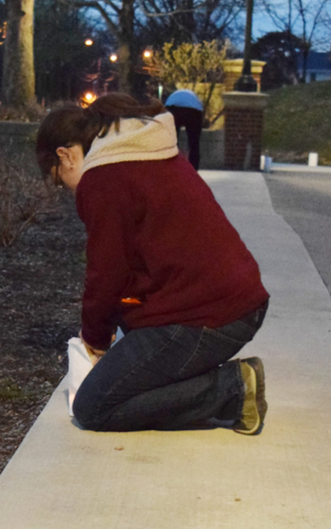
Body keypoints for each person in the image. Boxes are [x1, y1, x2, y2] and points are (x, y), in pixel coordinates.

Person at [36, 93, 269, 434]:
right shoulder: (142, 153)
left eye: (59, 180)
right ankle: (221, 387)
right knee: (123, 372)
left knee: (94, 407)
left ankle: (232, 390)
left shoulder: (103, 179)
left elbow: (106, 273)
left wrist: (95, 341)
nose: (68, 190)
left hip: (210, 316)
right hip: (230, 303)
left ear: (66, 155)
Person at [165, 89, 203, 171]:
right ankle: (194, 169)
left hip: (173, 109)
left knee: (172, 142)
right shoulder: (195, 99)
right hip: (193, 111)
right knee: (194, 143)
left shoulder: (173, 97)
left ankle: (172, 166)